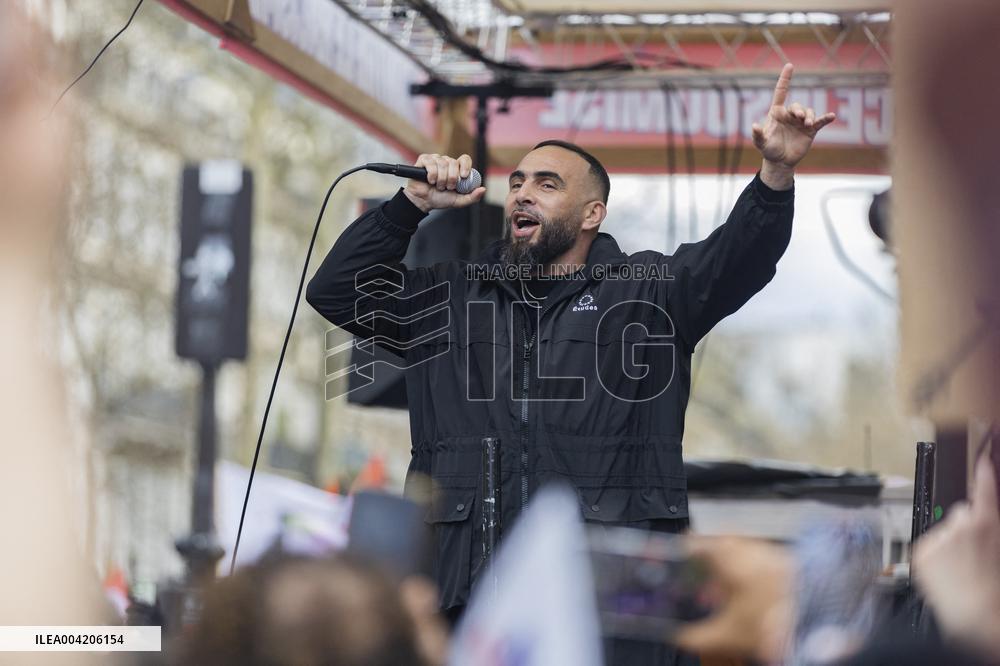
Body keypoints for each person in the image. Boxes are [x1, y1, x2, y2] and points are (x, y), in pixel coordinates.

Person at [307, 63, 835, 665]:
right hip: (469, 599)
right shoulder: (451, 298)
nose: (524, 192)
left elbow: (739, 257)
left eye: (548, 184)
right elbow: (339, 291)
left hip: (612, 610)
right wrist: (408, 206)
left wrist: (775, 173)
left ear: (592, 214)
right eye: (520, 181)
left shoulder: (650, 294)